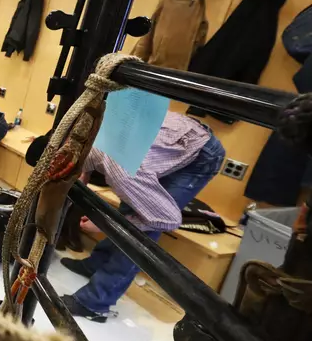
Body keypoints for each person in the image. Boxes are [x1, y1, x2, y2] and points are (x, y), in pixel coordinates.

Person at [60, 112, 225, 322]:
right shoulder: (84, 139)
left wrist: (104, 224)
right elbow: (81, 174)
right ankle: (97, 264)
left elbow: (167, 219)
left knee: (144, 227)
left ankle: (94, 303)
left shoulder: (119, 169)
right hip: (175, 136)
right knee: (132, 205)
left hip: (200, 154)